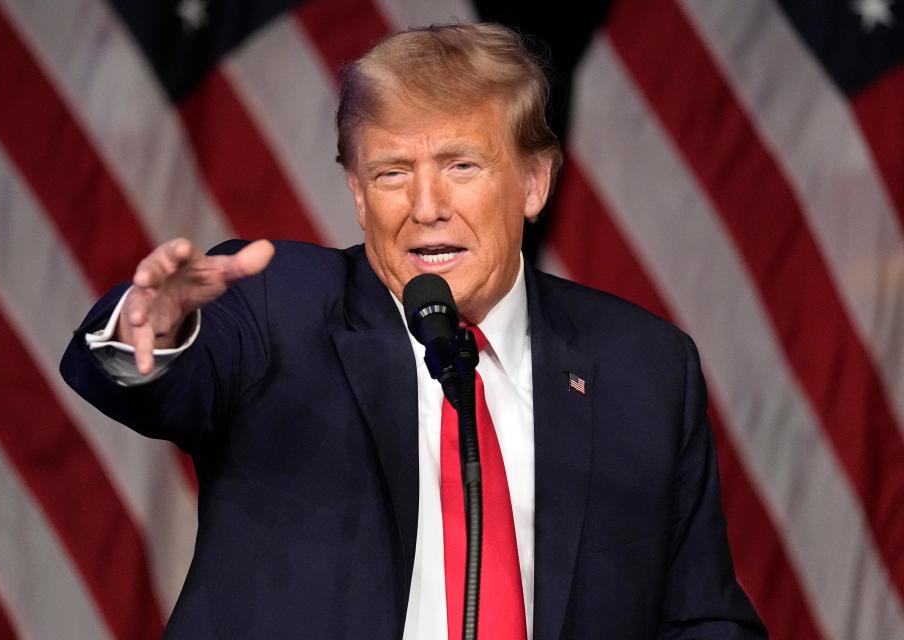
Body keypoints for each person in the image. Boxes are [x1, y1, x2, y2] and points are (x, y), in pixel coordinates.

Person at [61, 23, 766, 639]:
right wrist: (149, 330)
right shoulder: (282, 307)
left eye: (462, 165)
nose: (426, 206)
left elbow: (698, 613)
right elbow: (160, 383)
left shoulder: (643, 366)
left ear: (534, 182)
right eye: (393, 171)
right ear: (359, 196)